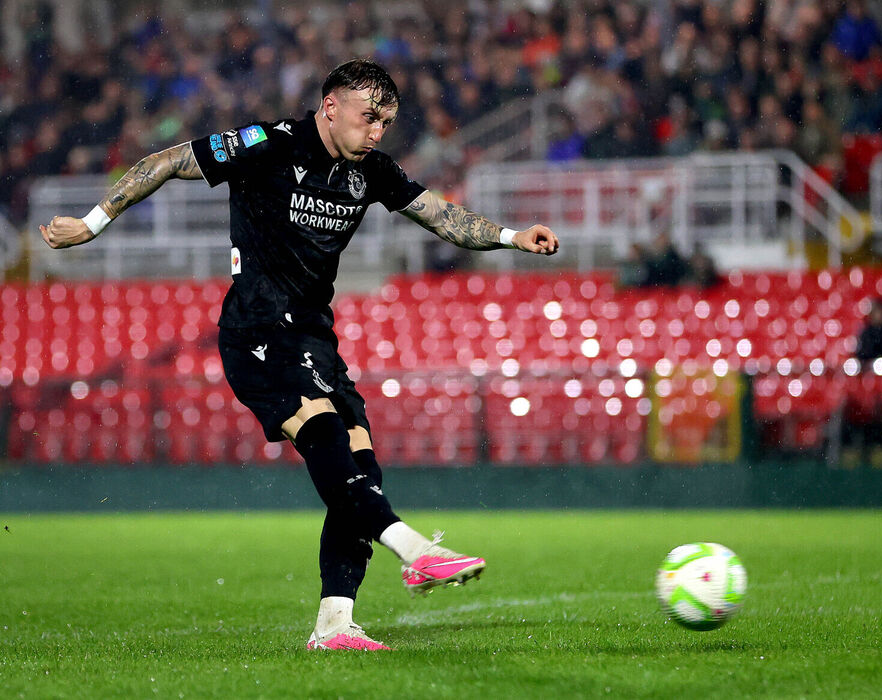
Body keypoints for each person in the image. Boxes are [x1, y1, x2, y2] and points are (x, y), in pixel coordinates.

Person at [39, 59, 560, 651]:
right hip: (257, 328)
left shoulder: (372, 173)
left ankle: (335, 626)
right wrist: (92, 222)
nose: (378, 132)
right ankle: (415, 549)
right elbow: (165, 161)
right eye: (370, 117)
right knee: (330, 441)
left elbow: (441, 216)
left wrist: (513, 237)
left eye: (387, 122)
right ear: (331, 106)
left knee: (362, 466)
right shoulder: (268, 144)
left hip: (314, 336)